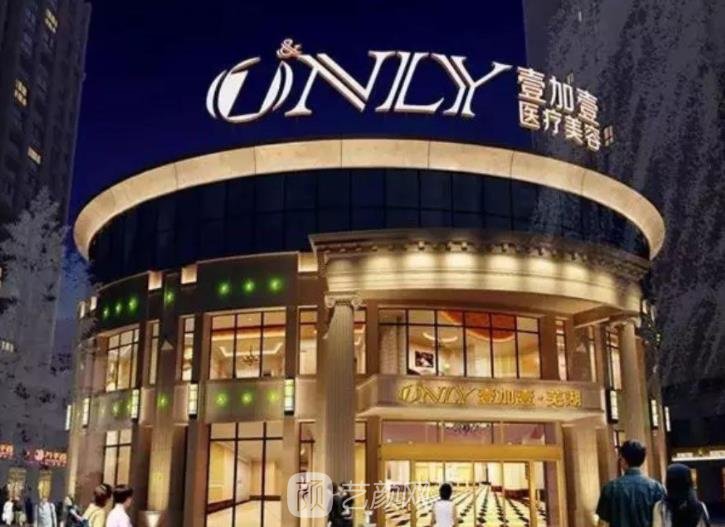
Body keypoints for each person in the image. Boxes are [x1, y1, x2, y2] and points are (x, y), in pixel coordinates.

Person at [596, 440, 666, 527]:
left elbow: (603, 523)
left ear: (623, 460)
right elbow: (663, 520)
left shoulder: (610, 488)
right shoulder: (656, 488)